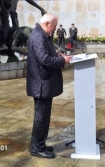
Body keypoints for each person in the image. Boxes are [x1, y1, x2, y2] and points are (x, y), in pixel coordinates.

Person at [26, 13, 72, 159]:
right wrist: (62, 61)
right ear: (46, 24)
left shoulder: (41, 34)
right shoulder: (39, 36)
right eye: (53, 27)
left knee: (43, 116)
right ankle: (37, 147)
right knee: (41, 117)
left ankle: (39, 144)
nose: (54, 29)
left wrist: (57, 56)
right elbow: (44, 60)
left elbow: (46, 55)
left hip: (43, 83)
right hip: (41, 84)